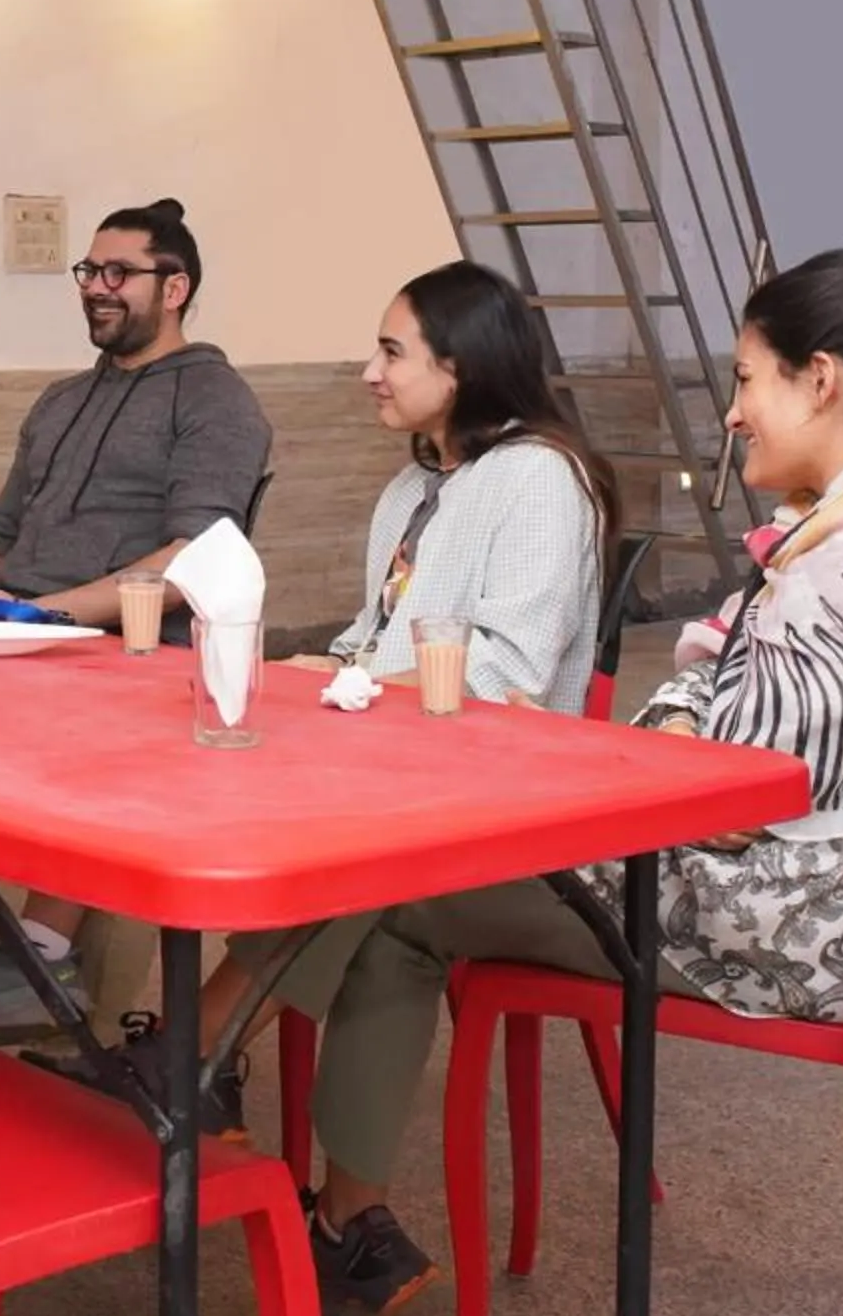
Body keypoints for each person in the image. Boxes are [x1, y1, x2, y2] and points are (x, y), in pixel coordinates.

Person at [243, 252, 843, 1315]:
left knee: (396, 894)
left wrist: (683, 687)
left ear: (823, 380)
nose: (731, 412)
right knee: (407, 874)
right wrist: (698, 673)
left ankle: (266, 1126)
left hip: (765, 923)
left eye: (749, 377)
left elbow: (714, 786)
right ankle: (299, 1165)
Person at [31, 258, 622, 1123]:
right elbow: (373, 635)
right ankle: (193, 1062)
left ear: (460, 366)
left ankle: (186, 1054)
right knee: (211, 787)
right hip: (408, 782)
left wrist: (350, 678)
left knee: (351, 871)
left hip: (503, 813)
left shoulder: (536, 479)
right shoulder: (416, 486)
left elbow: (504, 671)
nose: (370, 373)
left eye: (392, 352)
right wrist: (328, 666)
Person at [0, 198, 273, 1037]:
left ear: (174, 288)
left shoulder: (215, 401)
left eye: (118, 274)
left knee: (68, 723)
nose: (96, 289)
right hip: (21, 630)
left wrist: (37, 617)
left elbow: (193, 560)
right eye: (88, 272)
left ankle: (35, 956)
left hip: (128, 648)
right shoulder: (63, 401)